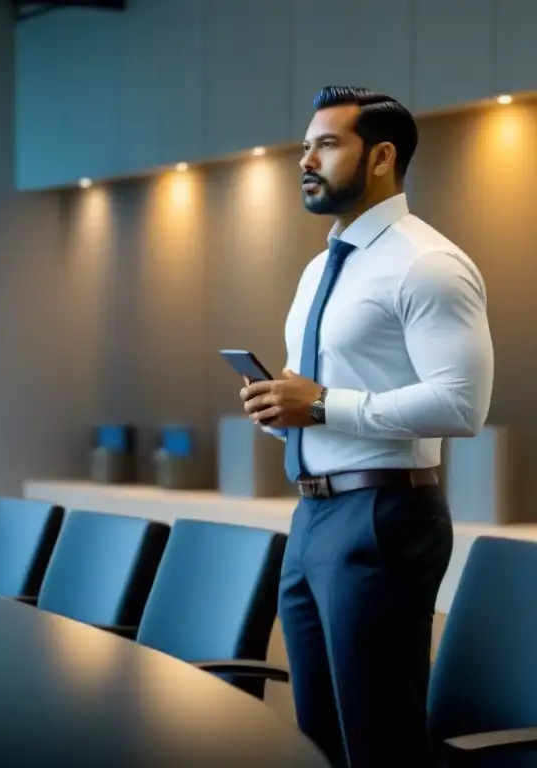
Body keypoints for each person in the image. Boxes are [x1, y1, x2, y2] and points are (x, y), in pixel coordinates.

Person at [239, 86, 494, 767]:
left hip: (384, 514)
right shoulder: (320, 268)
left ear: (381, 156)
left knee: (378, 738)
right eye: (304, 147)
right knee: (317, 739)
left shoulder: (428, 263)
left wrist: (321, 406)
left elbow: (463, 403)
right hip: (312, 516)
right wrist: (280, 410)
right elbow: (313, 395)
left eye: (326, 144)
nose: (305, 160)